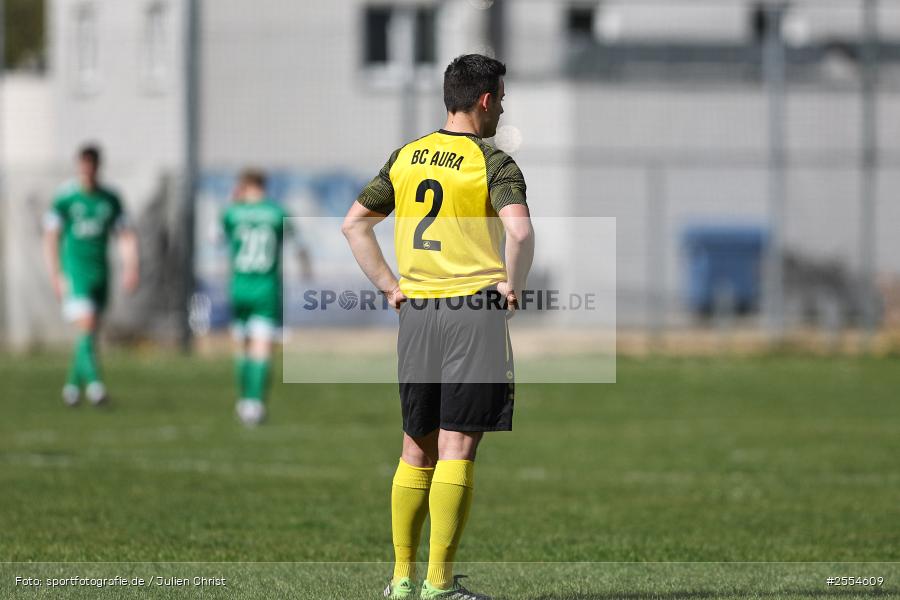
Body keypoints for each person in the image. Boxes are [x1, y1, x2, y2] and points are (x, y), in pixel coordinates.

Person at [342, 54, 534, 600]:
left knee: (414, 448)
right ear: (486, 100)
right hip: (472, 312)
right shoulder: (492, 163)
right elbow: (518, 234)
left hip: (419, 314)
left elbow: (354, 224)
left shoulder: (406, 156)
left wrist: (390, 286)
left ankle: (401, 580)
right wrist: (511, 286)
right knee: (457, 447)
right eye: (502, 97)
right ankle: (440, 585)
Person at [43, 144, 140, 407]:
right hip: (75, 271)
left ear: (98, 166)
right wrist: (56, 274)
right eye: (83, 165)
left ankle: (72, 388)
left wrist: (131, 267)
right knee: (86, 325)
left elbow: (125, 235)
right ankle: (96, 387)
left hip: (101, 272)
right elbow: (51, 237)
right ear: (78, 166)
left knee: (90, 331)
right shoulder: (65, 197)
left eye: (91, 165)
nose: (87, 170)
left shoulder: (110, 198)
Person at [223, 169, 309, 426]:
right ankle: (255, 403)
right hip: (266, 289)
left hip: (239, 287)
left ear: (243, 185)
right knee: (262, 347)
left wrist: (232, 201)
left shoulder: (232, 212)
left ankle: (244, 400)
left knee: (241, 346)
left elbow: (214, 238)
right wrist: (307, 269)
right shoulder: (276, 212)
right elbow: (299, 244)